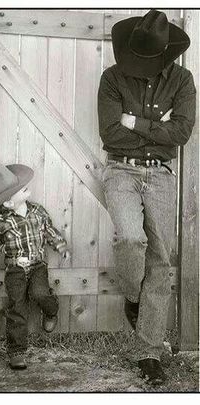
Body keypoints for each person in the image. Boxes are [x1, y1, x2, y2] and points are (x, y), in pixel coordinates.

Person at [98, 9, 196, 385]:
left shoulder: (183, 81)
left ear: (164, 54)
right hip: (120, 170)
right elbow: (110, 133)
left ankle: (149, 351)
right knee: (131, 238)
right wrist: (159, 128)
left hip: (161, 175)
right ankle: (133, 297)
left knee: (160, 260)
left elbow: (182, 132)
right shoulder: (111, 78)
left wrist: (134, 122)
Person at [0, 162, 70, 370]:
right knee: (17, 307)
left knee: (40, 293)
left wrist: (61, 246)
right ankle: (17, 351)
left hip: (37, 265)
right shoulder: (0, 220)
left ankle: (51, 310)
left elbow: (49, 231)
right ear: (8, 203)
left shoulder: (37, 211)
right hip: (15, 269)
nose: (25, 185)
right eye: (18, 188)